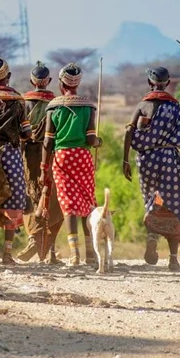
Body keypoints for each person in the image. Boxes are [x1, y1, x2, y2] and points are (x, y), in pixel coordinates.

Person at [122, 67, 180, 271]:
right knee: (174, 203)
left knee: (154, 200)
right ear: (167, 83)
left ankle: (152, 236)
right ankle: (173, 258)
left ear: (149, 82)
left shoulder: (143, 105)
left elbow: (129, 130)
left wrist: (125, 160)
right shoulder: (175, 107)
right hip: (170, 160)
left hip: (147, 161)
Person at [40, 63, 100, 267]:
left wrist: (43, 168)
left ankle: (74, 254)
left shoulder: (54, 106)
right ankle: (90, 253)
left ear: (60, 83)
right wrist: (99, 142)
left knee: (69, 204)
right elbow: (92, 140)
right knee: (88, 201)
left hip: (62, 158)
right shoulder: (88, 106)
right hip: (83, 157)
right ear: (78, 82)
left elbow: (48, 141)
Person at [0, 55, 31, 265]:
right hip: (11, 153)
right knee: (15, 197)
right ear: (8, 76)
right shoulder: (19, 100)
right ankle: (8, 252)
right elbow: (27, 132)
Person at [20, 61, 65, 265]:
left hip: (29, 155)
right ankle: (51, 250)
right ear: (49, 81)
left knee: (31, 194)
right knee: (53, 199)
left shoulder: (23, 102)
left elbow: (21, 133)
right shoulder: (57, 103)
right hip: (52, 154)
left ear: (32, 81)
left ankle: (34, 238)